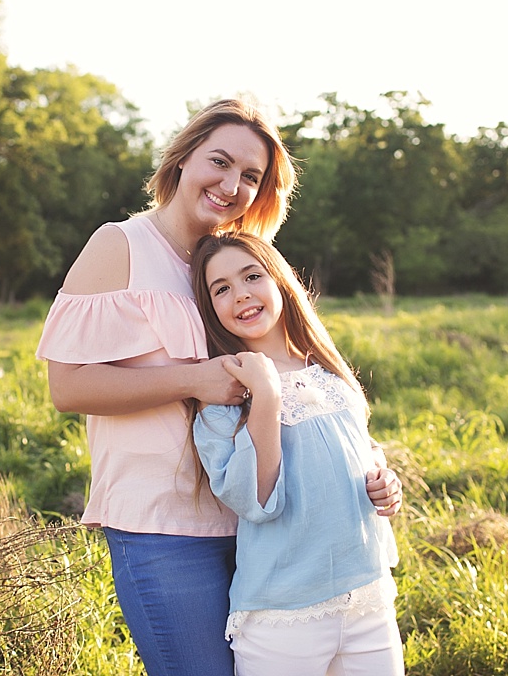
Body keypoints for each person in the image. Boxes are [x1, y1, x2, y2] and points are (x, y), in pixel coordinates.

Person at [35, 98, 401, 676]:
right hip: (164, 524)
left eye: (251, 176)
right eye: (220, 161)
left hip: (260, 523)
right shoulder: (120, 246)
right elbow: (67, 387)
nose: (232, 185)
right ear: (182, 159)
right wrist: (194, 379)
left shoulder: (229, 263)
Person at [189, 232, 405, 676]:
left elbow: (360, 448)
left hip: (367, 596)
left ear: (280, 281)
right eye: (222, 288)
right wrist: (265, 395)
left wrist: (384, 479)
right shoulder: (222, 397)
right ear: (211, 307)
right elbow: (257, 500)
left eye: (252, 276)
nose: (241, 294)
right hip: (283, 616)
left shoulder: (326, 370)